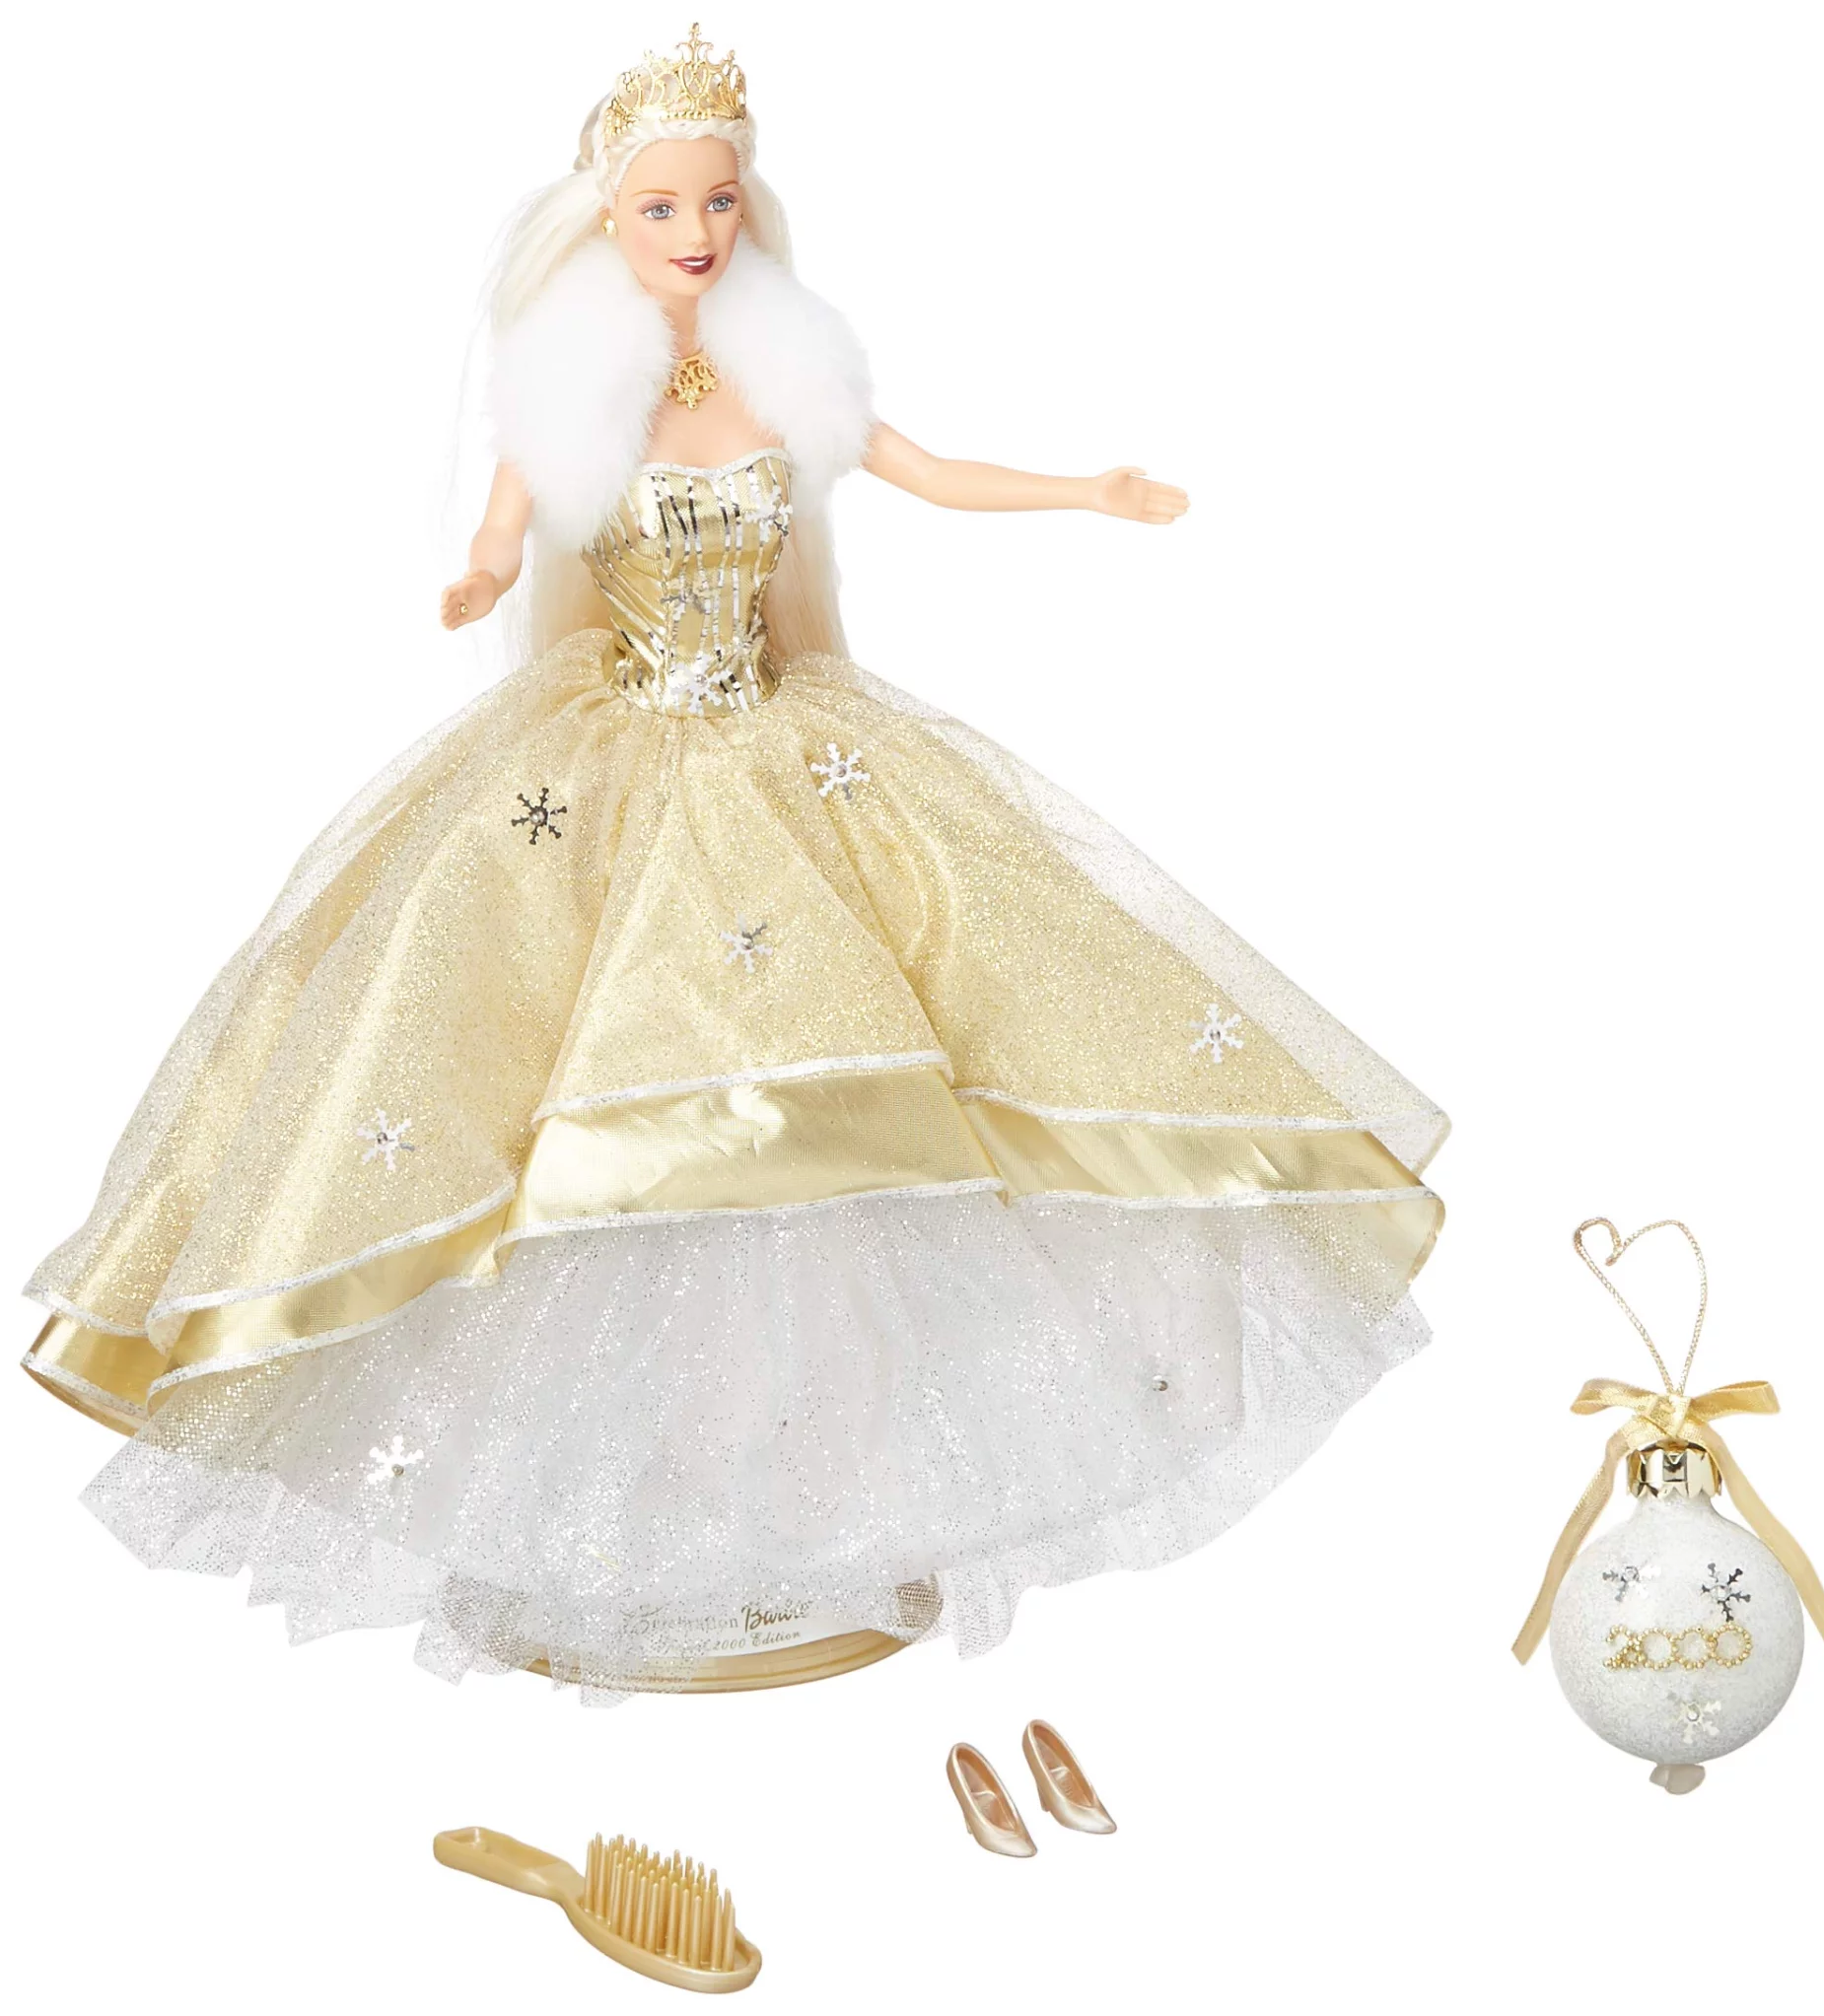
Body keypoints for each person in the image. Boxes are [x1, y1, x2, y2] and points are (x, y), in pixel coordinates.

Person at [24, 27, 1446, 1697]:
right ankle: (637, 1526)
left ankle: (798, 1510)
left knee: (831, 1119)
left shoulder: (784, 379)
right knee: (581, 1119)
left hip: (790, 762)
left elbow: (919, 469)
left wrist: (1089, 489)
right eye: (661, 207)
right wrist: (481, 576)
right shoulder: (571, 393)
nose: (695, 232)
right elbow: (504, 525)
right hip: (604, 779)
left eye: (716, 202)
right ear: (606, 221)